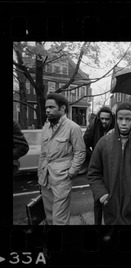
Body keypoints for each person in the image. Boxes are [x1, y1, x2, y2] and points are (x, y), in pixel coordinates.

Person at [87, 102, 131, 225]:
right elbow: (93, 173)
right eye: (120, 119)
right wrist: (102, 195)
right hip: (110, 209)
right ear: (116, 119)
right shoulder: (103, 143)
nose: (123, 123)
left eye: (128, 119)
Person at [38, 93, 86, 225]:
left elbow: (80, 152)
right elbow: (43, 153)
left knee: (59, 219)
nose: (47, 110)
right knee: (49, 218)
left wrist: (70, 173)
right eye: (46, 107)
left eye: (52, 107)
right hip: (45, 178)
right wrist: (40, 174)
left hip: (62, 179)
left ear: (63, 108)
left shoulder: (73, 128)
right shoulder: (46, 127)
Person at [83, 106, 115, 225]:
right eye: (102, 119)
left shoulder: (116, 125)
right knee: (97, 199)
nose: (104, 121)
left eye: (107, 119)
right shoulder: (93, 126)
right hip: (98, 168)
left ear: (111, 118)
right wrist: (93, 157)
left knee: (110, 199)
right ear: (98, 118)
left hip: (112, 168)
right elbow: (84, 144)